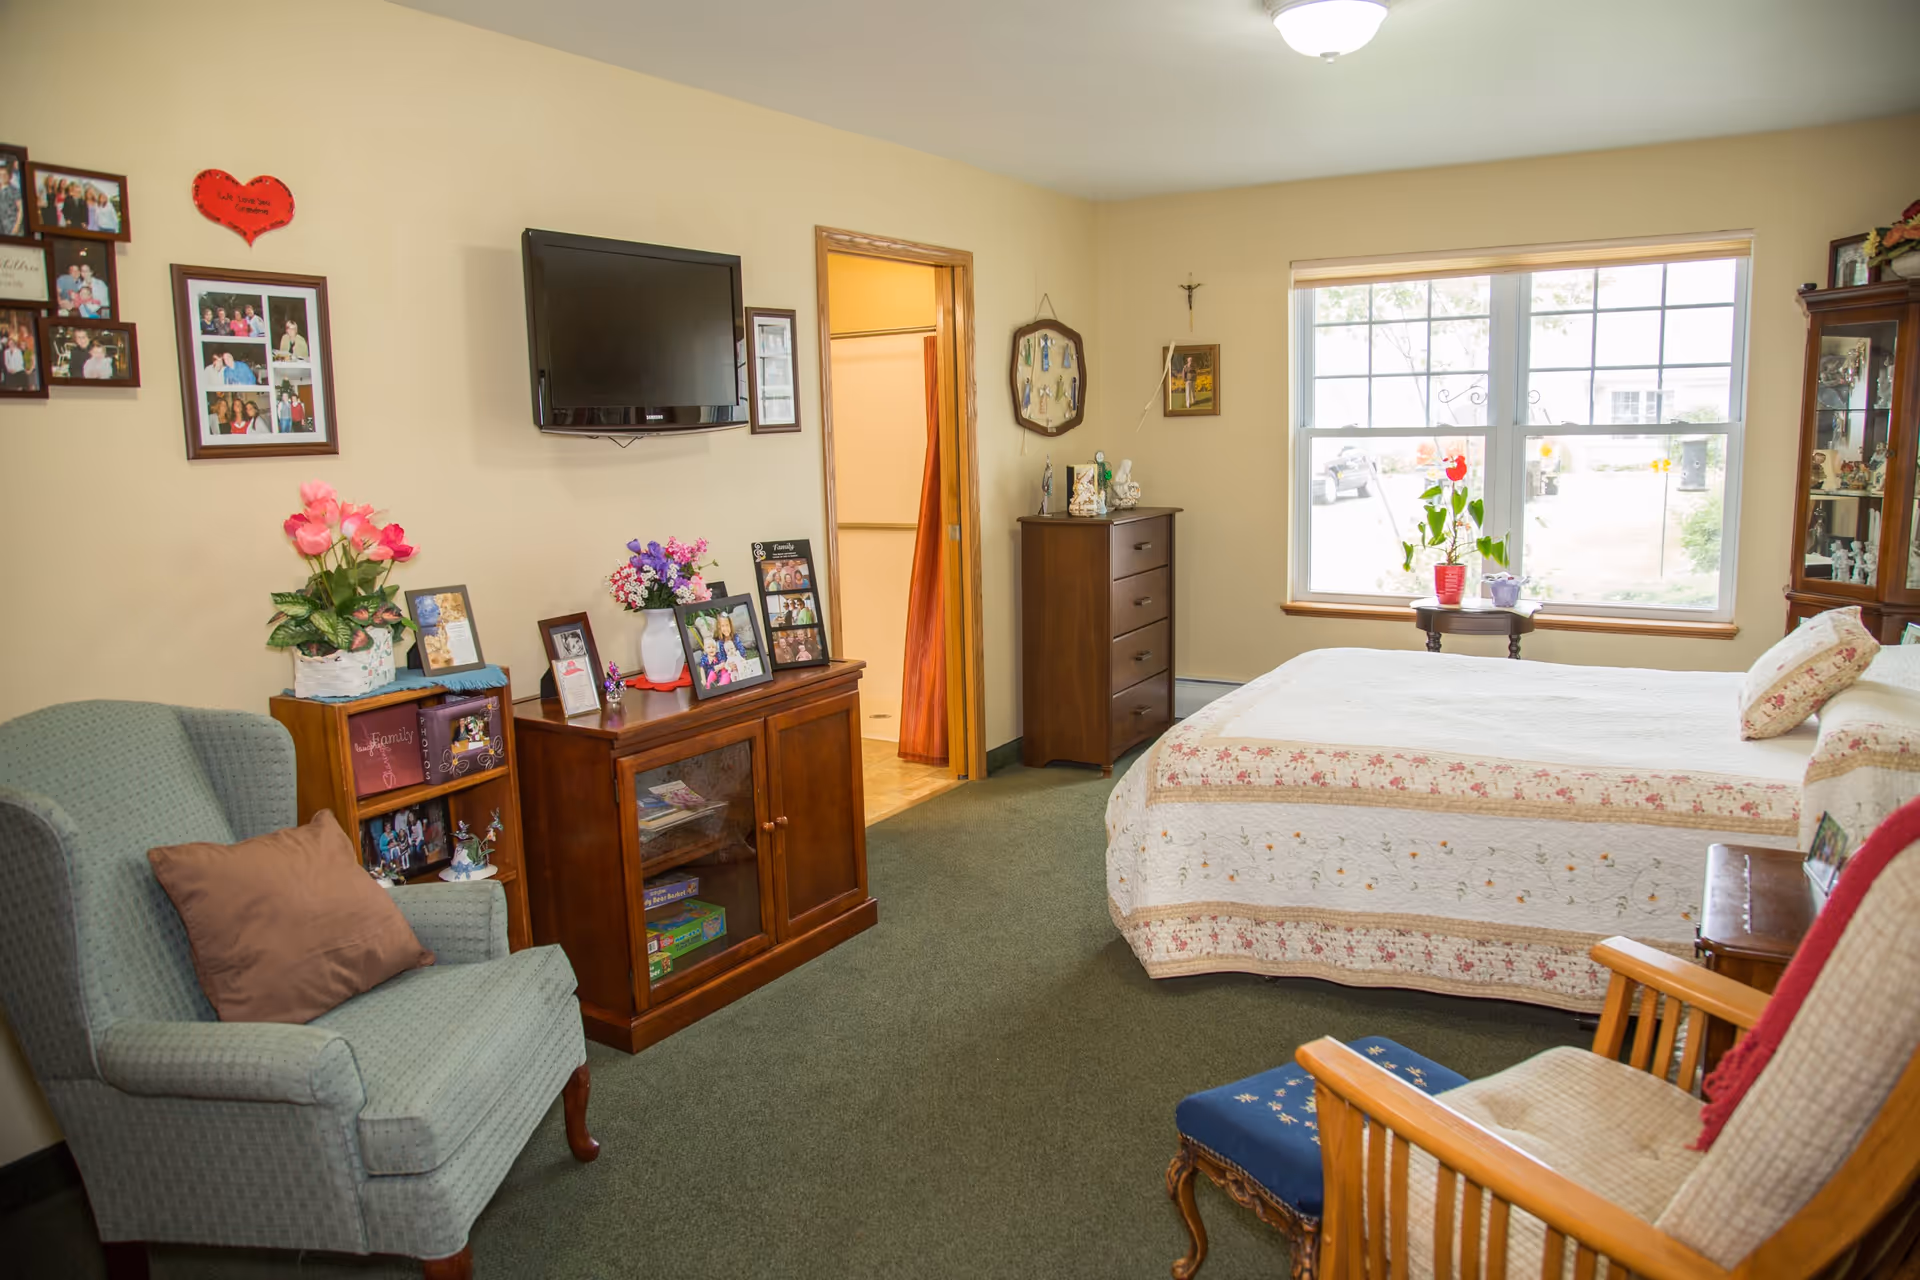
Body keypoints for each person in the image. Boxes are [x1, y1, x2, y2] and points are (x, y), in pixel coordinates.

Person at [0, 159, 20, 237]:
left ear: (9, 176)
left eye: (5, 174)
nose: (2, 177)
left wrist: (16, 227)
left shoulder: (15, 190)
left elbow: (20, 210)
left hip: (11, 226)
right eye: (0, 175)